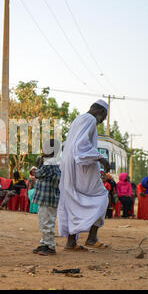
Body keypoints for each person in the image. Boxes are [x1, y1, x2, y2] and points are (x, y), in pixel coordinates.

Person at [58, 100, 110, 251]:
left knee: (72, 199)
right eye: (104, 117)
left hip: (69, 163)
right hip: (81, 165)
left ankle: (71, 242)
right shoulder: (90, 119)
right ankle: (92, 238)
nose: (103, 121)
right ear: (99, 112)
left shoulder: (78, 118)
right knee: (101, 197)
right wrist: (101, 158)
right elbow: (81, 145)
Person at [32, 138, 61, 256]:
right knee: (43, 221)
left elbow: (38, 174)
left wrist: (37, 167)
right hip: (46, 199)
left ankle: (50, 246)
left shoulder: (50, 163)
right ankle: (45, 243)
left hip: (48, 199)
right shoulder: (50, 162)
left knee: (47, 222)